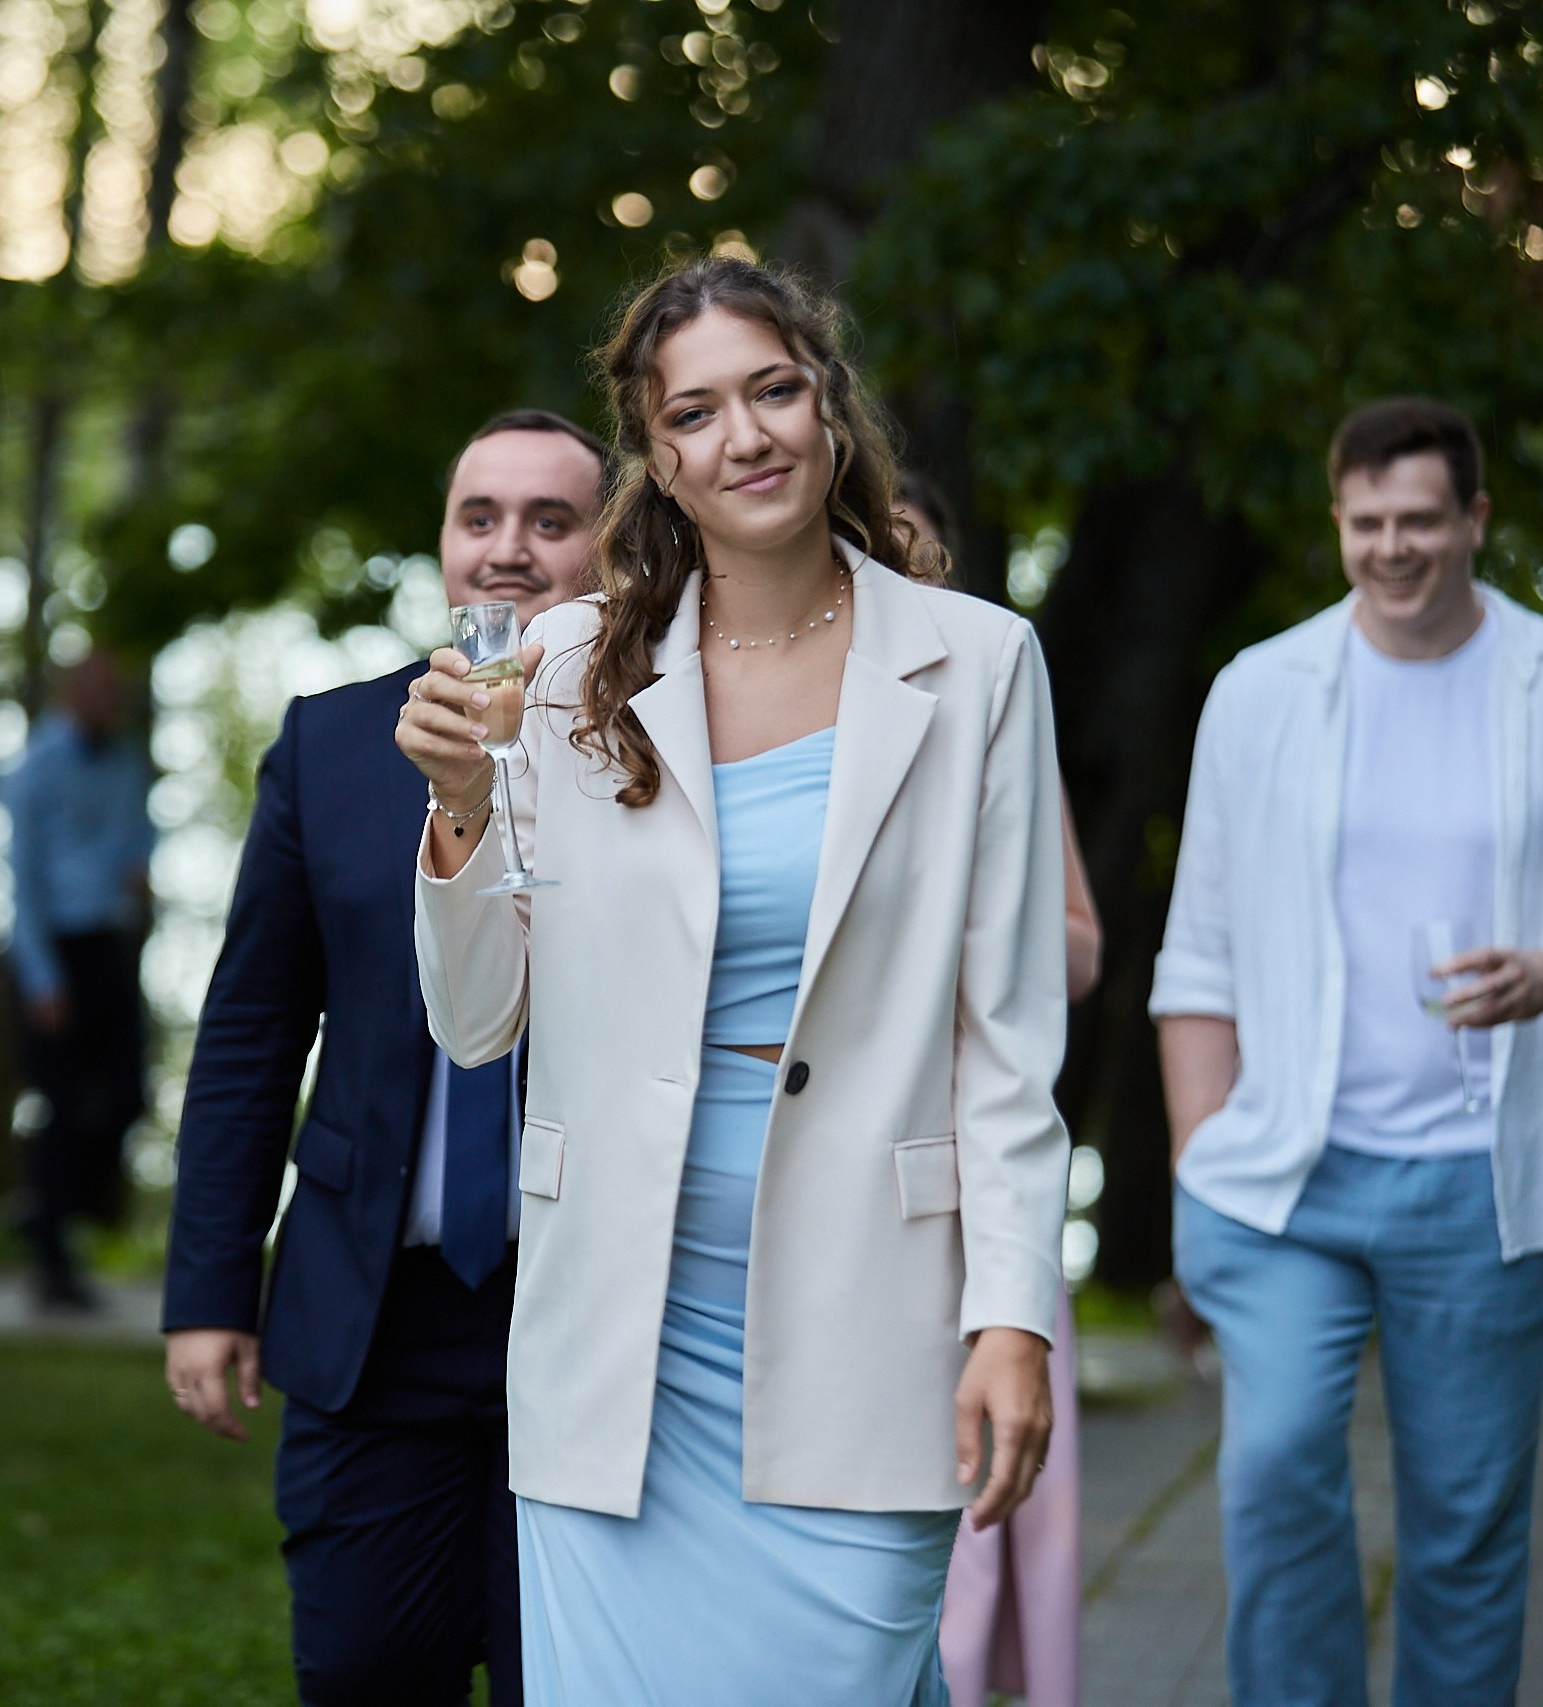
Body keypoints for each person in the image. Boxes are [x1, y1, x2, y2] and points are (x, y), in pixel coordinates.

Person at [396, 257, 1072, 1705]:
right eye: (696, 412)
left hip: (870, 1320)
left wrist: (1010, 1318)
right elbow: (476, 1015)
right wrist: (459, 809)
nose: (746, 435)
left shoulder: (980, 663)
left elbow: (1008, 1044)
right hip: (613, 1339)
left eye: (773, 389)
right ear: (658, 458)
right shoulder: (569, 663)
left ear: (829, 405)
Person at [1151, 397, 1543, 1705]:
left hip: (1484, 1182)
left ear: (1475, 519)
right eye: (1365, 524)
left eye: (1418, 521)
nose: (1392, 548)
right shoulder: (1261, 692)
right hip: (1287, 1176)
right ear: (1337, 522)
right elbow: (1200, 954)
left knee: (1463, 1527)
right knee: (1277, 1461)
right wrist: (1198, 1161)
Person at [161, 409, 610, 1705]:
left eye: (549, 519)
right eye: (480, 517)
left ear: (609, 547)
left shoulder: (653, 752)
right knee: (362, 1671)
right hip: (374, 1318)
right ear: (445, 543)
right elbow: (253, 1030)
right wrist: (208, 1285)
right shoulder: (328, 746)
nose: (508, 549)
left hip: (585, 1313)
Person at [897, 478, 1096, 1707]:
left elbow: (1074, 948)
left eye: (921, 561)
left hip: (984, 1166)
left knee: (988, 1501)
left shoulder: (991, 701)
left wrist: (984, 928)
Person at [2, 646, 155, 1310]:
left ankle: (49, 1203)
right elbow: (21, 881)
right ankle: (53, 1264)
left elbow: (136, 845)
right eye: (96, 690)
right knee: (60, 1109)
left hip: (108, 945)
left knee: (127, 1095)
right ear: (69, 693)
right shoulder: (34, 767)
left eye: (113, 690)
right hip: (53, 950)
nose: (107, 702)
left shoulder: (125, 761)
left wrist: (140, 881)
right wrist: (41, 980)